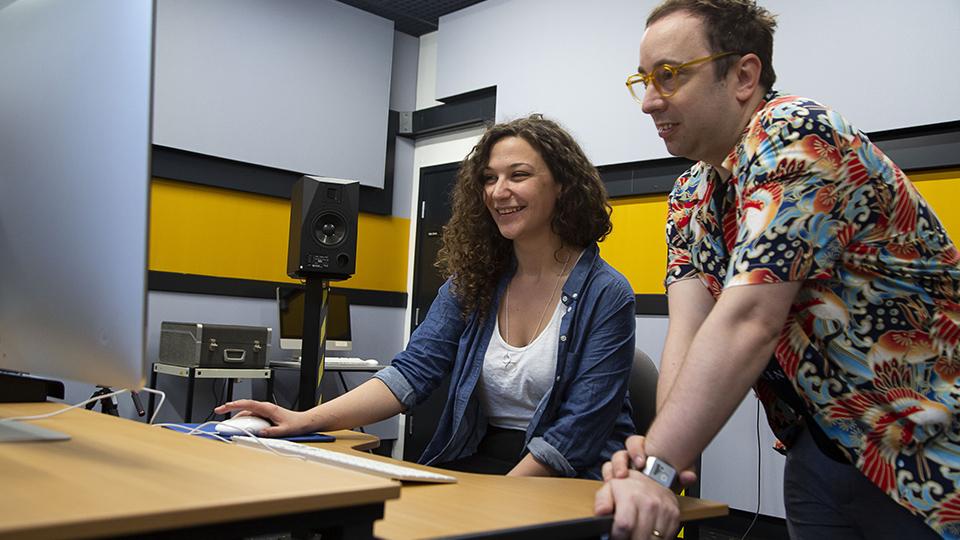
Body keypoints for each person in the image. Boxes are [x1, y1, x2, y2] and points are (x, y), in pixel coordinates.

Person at [595, 0, 960, 538]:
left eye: (669, 76)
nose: (649, 101)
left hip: (925, 449)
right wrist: (659, 458)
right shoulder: (690, 194)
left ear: (744, 75)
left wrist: (657, 468)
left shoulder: (793, 131)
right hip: (818, 449)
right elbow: (690, 331)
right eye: (644, 80)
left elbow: (750, 319)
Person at [217, 115, 637, 479]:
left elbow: (577, 431)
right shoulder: (473, 282)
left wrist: (505, 498)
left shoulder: (606, 292)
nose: (498, 191)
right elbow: (410, 374)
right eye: (489, 178)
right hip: (484, 457)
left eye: (518, 175)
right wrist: (302, 419)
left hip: (572, 473)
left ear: (563, 186)